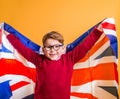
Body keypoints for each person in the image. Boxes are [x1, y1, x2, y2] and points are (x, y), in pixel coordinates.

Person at [6, 24, 103, 99]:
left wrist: (97, 31)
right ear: (43, 50)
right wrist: (8, 35)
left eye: (57, 46)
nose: (52, 50)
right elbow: (22, 48)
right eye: (49, 47)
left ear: (63, 48)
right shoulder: (39, 60)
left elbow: (85, 46)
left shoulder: (69, 59)